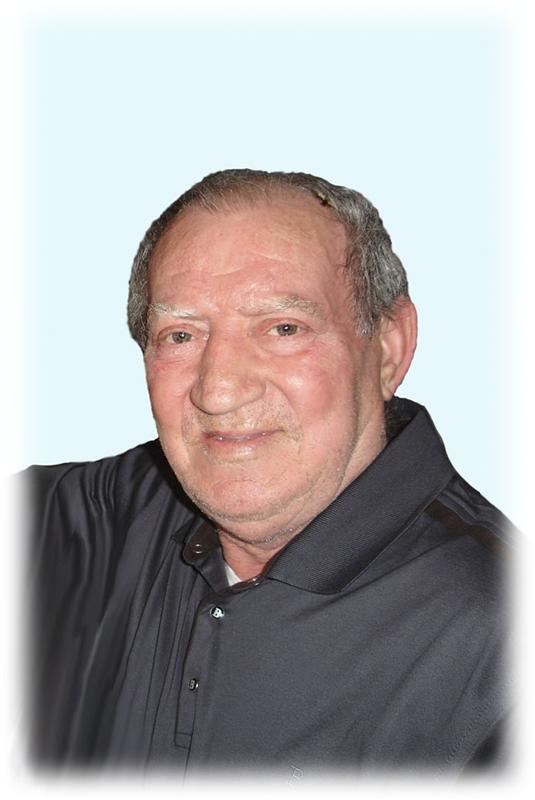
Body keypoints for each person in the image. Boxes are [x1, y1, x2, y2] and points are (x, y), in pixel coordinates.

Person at [28, 169, 511, 775]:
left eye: (283, 328)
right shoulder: (93, 520)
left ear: (389, 348)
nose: (219, 390)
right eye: (180, 335)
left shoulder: (501, 644)